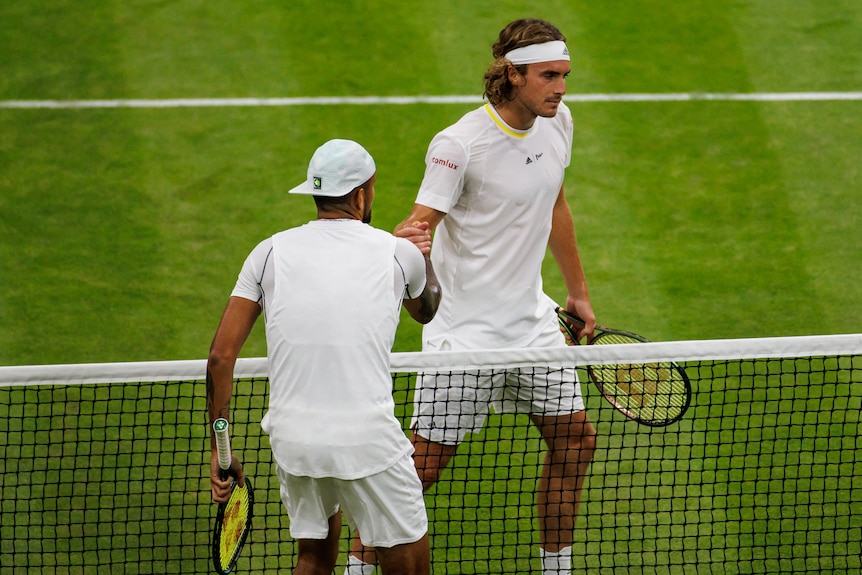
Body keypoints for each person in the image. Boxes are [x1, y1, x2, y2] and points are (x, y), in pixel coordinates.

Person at [345, 19, 597, 575]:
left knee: (577, 443)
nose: (561, 88)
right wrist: (410, 239)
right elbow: (419, 221)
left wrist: (576, 294)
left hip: (531, 322)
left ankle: (558, 570)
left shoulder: (559, 124)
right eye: (549, 76)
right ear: (513, 74)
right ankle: (358, 570)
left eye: (565, 76)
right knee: (420, 470)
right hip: (465, 337)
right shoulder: (460, 145)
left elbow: (555, 204)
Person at [207, 138, 442, 575]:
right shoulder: (398, 253)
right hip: (366, 440)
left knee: (313, 558)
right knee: (409, 564)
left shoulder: (267, 252)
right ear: (360, 194)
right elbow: (426, 311)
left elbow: (221, 357)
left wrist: (221, 452)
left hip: (293, 439)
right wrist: (421, 256)